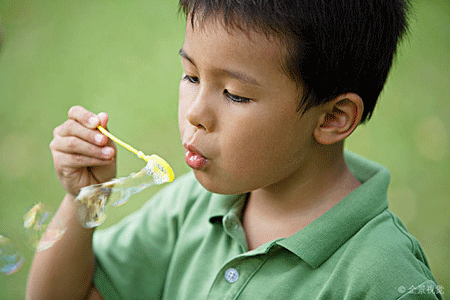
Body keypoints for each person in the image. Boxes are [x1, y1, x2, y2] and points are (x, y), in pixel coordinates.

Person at [27, 0, 443, 299]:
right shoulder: (191, 205)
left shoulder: (384, 278)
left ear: (333, 118)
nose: (194, 113)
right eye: (190, 76)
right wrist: (84, 199)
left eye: (234, 94)